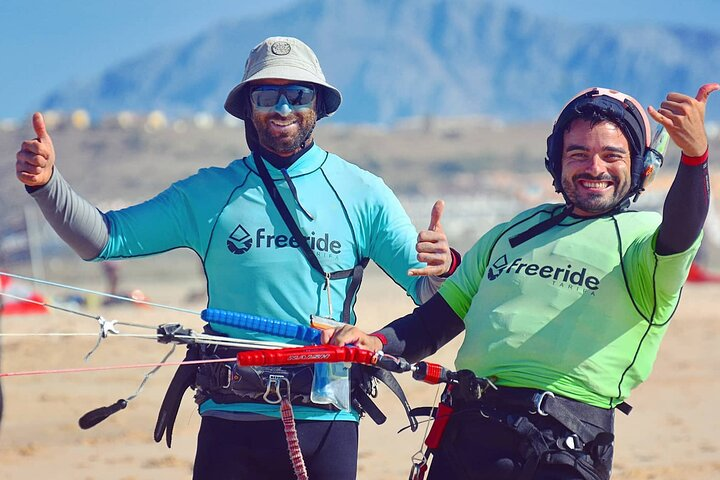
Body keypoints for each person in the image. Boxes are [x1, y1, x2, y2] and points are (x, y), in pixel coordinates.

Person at [15, 36, 460, 479]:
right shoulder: (210, 194)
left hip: (326, 420)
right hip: (229, 422)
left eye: (298, 95)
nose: (283, 109)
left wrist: (445, 267)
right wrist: (47, 184)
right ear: (248, 106)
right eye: (267, 95)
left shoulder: (363, 194)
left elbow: (427, 291)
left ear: (319, 105)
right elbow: (104, 239)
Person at [324, 84, 719, 480]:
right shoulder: (512, 232)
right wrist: (374, 342)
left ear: (638, 167)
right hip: (464, 436)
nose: (594, 167)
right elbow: (433, 323)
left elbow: (683, 227)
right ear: (556, 162)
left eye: (612, 155)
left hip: (565, 447)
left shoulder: (646, 241)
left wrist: (695, 155)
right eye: (577, 153)